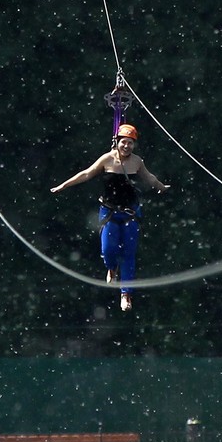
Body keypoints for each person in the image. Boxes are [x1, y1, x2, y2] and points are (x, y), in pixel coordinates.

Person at [51, 123, 169, 311]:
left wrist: (160, 186)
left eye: (130, 143)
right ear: (117, 142)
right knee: (108, 250)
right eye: (124, 142)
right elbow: (87, 173)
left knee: (129, 254)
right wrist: (64, 185)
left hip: (130, 212)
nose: (126, 146)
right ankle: (111, 268)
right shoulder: (107, 159)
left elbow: (149, 178)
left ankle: (126, 294)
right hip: (109, 212)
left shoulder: (137, 162)